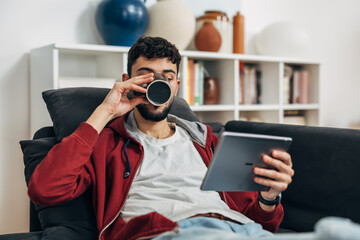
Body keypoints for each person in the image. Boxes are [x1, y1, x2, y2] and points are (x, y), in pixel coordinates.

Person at [28, 36, 294, 240]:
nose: (157, 86)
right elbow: (45, 189)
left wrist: (269, 197)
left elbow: (263, 224)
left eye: (166, 78)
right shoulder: (105, 143)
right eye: (146, 78)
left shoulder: (206, 141)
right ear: (127, 81)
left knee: (333, 230)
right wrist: (105, 111)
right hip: (173, 232)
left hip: (239, 230)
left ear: (176, 86)